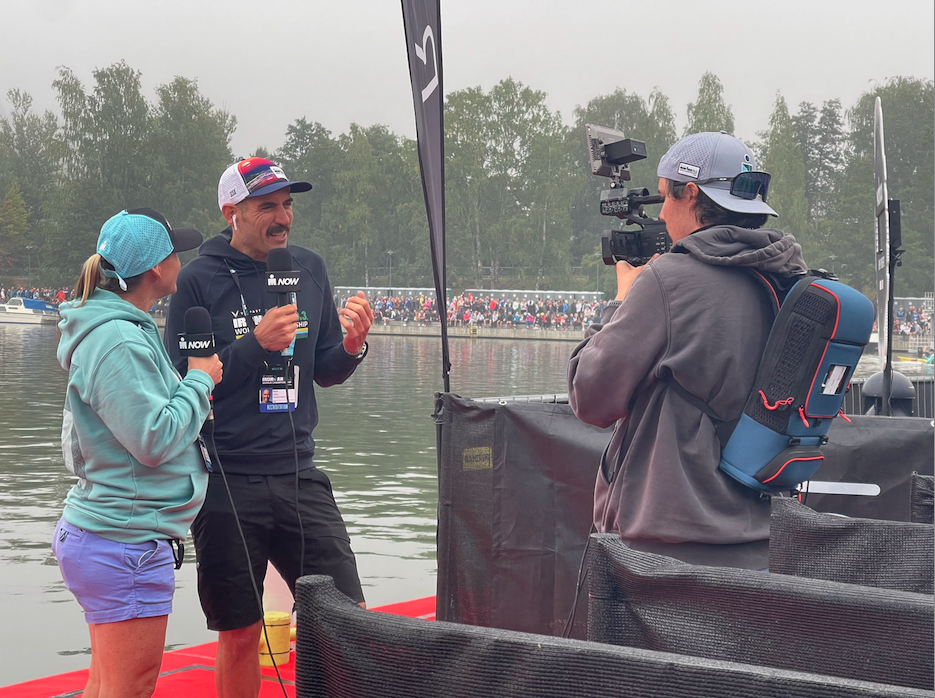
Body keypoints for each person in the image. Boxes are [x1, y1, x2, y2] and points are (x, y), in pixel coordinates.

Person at [164, 157, 374, 698]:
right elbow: (187, 384)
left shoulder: (308, 267)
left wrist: (352, 348)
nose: (283, 217)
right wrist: (255, 345)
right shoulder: (198, 279)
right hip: (227, 481)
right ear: (231, 212)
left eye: (287, 204)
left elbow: (324, 368)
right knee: (239, 632)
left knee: (348, 616)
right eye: (267, 207)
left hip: (300, 474)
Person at [568, 131, 808, 571]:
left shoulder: (670, 281)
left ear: (691, 194)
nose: (661, 213)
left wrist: (622, 298)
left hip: (665, 549)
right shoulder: (786, 277)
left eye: (665, 197)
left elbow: (591, 397)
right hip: (760, 539)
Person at [53, 209, 223, 698]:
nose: (181, 260)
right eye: (174, 251)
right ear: (154, 269)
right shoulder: (118, 339)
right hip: (122, 541)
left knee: (107, 684)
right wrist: (199, 379)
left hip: (116, 536)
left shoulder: (126, 327)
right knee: (131, 687)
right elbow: (153, 440)